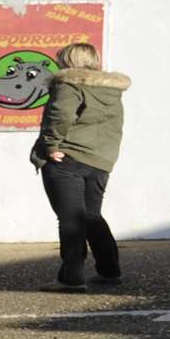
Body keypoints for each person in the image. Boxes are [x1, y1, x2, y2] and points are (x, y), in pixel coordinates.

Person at [30, 43, 131, 291]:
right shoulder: (110, 90)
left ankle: (71, 277)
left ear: (68, 60)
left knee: (71, 218)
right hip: (99, 161)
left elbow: (60, 115)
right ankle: (109, 271)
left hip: (67, 159)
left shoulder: (69, 83)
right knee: (92, 216)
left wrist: (50, 145)